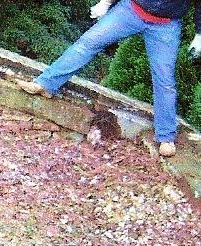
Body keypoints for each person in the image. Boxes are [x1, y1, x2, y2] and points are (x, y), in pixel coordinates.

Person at [16, 0, 201, 157]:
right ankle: (46, 84)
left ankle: (166, 137)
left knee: (165, 81)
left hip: (166, 25)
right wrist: (105, 2)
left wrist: (200, 34)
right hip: (131, 10)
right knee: (87, 44)